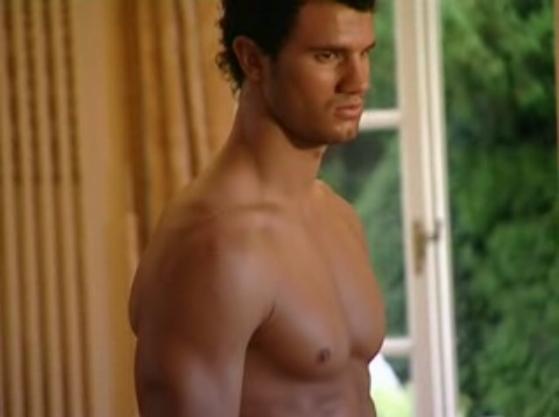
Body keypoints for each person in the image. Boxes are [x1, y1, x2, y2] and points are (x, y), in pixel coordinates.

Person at [129, 0, 385, 416]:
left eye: (365, 53)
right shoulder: (214, 246)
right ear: (252, 59)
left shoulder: (340, 218)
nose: (358, 82)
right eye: (327, 56)